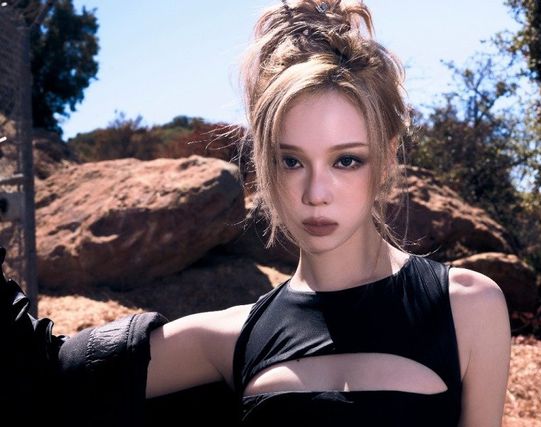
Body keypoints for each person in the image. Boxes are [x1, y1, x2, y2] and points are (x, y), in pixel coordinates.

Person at [2, 1, 511, 426]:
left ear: (387, 157)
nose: (315, 193)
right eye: (292, 161)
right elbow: (40, 375)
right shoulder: (228, 339)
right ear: (265, 162)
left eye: (346, 161)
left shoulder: (468, 307)